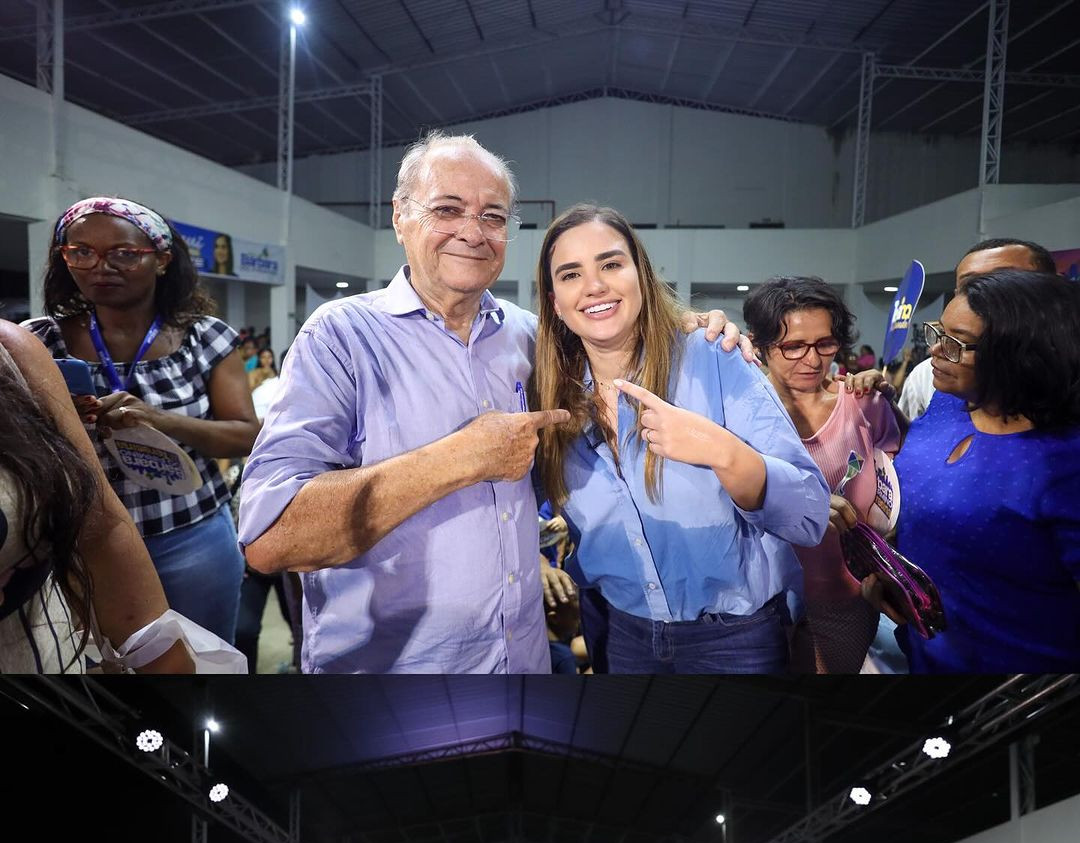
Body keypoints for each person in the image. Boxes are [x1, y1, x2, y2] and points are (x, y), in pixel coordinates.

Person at [238, 131, 748, 673]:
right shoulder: (341, 338)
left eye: (493, 217)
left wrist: (684, 331)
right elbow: (270, 537)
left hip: (520, 662)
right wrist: (460, 458)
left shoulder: (533, 339)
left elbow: (621, 357)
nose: (472, 233)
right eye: (448, 210)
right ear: (400, 217)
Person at [531, 205, 829, 674]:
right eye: (571, 274)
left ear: (640, 276)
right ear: (555, 302)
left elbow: (810, 513)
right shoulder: (550, 398)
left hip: (734, 640)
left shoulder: (714, 357)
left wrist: (721, 450)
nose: (594, 286)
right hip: (621, 636)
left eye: (610, 264)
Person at [25, 196, 259, 642]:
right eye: (81, 252)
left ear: (162, 260)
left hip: (189, 538)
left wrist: (160, 420)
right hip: (81, 543)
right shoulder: (37, 343)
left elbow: (246, 436)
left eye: (124, 254)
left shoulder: (203, 337)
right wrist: (54, 418)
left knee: (204, 658)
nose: (100, 266)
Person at [879, 269, 1080, 672]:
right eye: (938, 334)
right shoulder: (946, 404)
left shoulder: (1065, 462)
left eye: (958, 345)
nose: (935, 351)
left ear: (1023, 355)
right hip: (927, 656)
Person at [0, 321, 191, 673]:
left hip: (41, 658)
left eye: (127, 259)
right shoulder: (47, 336)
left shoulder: (14, 351)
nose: (100, 268)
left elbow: (99, 526)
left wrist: (161, 660)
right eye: (80, 259)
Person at [743, 276, 903, 671]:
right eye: (793, 346)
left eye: (825, 344)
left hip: (844, 600)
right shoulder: (737, 415)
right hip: (759, 604)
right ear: (759, 345)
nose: (812, 360)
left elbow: (896, 493)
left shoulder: (864, 405)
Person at [898, 237, 1058, 422]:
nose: (984, 293)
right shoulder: (928, 376)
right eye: (970, 285)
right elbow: (911, 444)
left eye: (1005, 283)